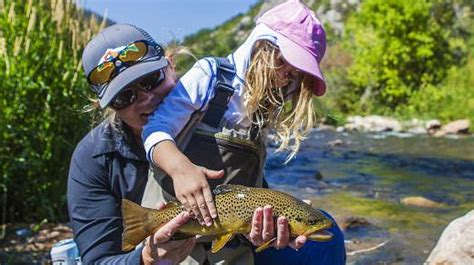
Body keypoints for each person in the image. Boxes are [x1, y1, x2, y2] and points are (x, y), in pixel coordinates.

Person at [67, 23, 310, 264]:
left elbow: (247, 198)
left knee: (320, 245)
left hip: (227, 252)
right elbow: (98, 260)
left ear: (170, 64)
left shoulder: (218, 116)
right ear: (107, 105)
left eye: (151, 80)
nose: (145, 99)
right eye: (124, 96)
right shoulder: (93, 158)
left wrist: (261, 232)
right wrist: (146, 259)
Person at [142, 0, 346, 264]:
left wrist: (269, 227)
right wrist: (180, 168)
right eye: (285, 63)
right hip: (173, 232)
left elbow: (249, 187)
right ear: (261, 43)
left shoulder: (264, 108)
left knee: (329, 231)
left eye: (297, 74)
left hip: (231, 245)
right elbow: (156, 129)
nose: (287, 77)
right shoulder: (211, 76)